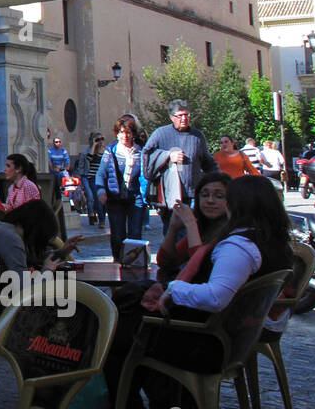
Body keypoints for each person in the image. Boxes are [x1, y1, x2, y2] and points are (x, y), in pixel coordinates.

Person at [106, 175, 293, 409]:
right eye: (207, 194)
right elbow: (172, 259)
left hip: (209, 342)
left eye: (224, 198)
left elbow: (216, 296)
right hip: (230, 337)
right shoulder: (274, 243)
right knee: (129, 306)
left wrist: (174, 289)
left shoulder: (239, 246)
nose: (216, 202)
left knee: (118, 336)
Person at [0, 200, 80, 338]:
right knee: (48, 318)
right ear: (36, 230)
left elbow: (29, 259)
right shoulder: (10, 238)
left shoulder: (3, 230)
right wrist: (46, 271)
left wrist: (61, 252)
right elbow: (26, 291)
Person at [142, 99, 216, 232]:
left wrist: (220, 180)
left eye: (186, 115)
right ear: (171, 117)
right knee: (172, 232)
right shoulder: (160, 134)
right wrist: (167, 156)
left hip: (192, 194)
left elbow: (208, 162)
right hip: (170, 196)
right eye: (180, 115)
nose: (184, 118)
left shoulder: (197, 136)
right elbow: (146, 156)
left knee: (192, 232)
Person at [154, 171, 231, 287]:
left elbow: (200, 268)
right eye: (204, 195)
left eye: (219, 196)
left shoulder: (230, 232)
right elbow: (165, 262)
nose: (210, 200)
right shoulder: (202, 226)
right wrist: (173, 227)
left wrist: (191, 225)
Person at [96, 116, 149, 262]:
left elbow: (146, 174)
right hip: (115, 198)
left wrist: (145, 195)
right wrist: (101, 190)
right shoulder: (111, 151)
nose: (124, 136)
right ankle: (118, 263)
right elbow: (101, 173)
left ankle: (135, 265)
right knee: (118, 234)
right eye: (121, 132)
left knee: (135, 233)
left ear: (133, 133)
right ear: (117, 133)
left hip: (135, 198)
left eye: (128, 132)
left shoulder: (141, 151)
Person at [73, 133, 106, 227]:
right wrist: (94, 146)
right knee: (92, 197)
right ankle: (94, 216)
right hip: (89, 177)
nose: (99, 141)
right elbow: (89, 158)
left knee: (99, 199)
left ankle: (99, 217)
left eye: (101, 139)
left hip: (100, 178)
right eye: (97, 139)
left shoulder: (105, 151)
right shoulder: (87, 152)